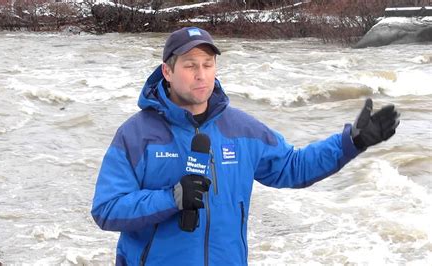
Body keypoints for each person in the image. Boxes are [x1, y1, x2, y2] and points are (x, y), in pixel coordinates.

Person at [91, 27, 400, 266]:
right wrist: (170, 199)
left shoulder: (241, 128)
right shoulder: (136, 134)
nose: (201, 75)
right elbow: (107, 209)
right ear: (168, 72)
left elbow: (294, 166)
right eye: (190, 65)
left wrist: (351, 143)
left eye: (208, 64)